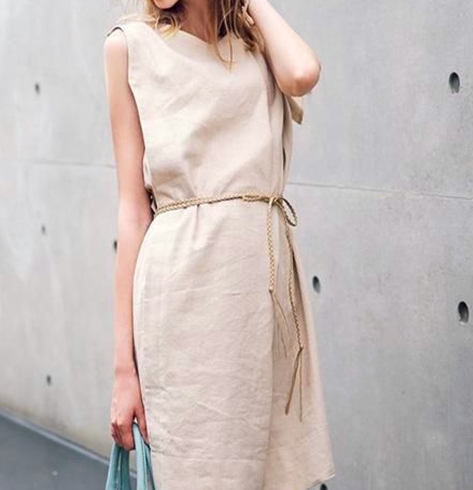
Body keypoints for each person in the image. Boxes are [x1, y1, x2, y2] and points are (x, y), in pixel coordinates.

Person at [103, 0, 336, 488]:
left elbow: (302, 74)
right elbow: (132, 212)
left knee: (275, 471)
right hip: (183, 293)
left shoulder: (256, 39)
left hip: (263, 293)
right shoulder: (129, 46)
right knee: (199, 467)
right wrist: (125, 371)